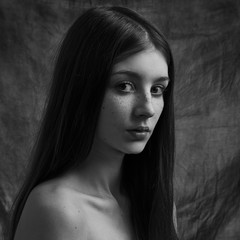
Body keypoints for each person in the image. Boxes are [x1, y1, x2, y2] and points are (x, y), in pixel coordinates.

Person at [9, 6, 178, 240]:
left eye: (157, 89)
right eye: (125, 86)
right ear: (83, 89)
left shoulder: (158, 204)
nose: (147, 108)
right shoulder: (56, 209)